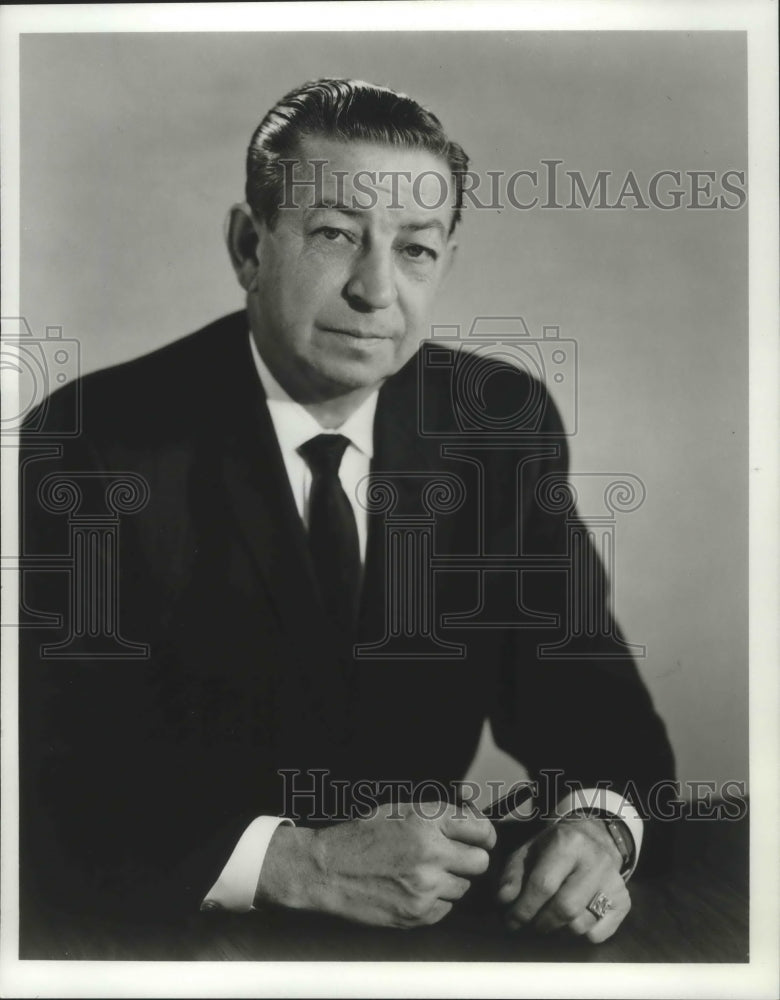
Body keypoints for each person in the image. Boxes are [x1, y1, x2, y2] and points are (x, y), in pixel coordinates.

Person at [19, 78, 674, 951]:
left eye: (415, 250)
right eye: (335, 235)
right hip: (169, 940)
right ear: (251, 246)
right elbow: (44, 786)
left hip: (433, 932)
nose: (376, 290)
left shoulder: (494, 423)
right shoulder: (94, 442)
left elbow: (595, 712)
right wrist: (301, 863)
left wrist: (600, 829)